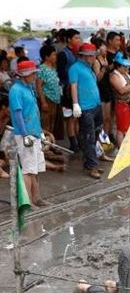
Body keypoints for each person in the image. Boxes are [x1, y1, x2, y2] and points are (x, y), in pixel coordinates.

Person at [9, 61, 48, 205]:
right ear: (24, 75)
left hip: (34, 132)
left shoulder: (28, 88)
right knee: (28, 169)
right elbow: (17, 114)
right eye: (33, 73)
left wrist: (40, 132)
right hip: (25, 134)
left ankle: (37, 199)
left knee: (35, 168)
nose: (35, 76)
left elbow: (34, 112)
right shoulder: (16, 90)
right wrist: (25, 135)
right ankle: (28, 202)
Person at [69, 43, 104, 179]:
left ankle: (90, 162)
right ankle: (93, 165)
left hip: (95, 105)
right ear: (83, 56)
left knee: (94, 134)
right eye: (90, 56)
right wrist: (75, 104)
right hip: (86, 107)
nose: (92, 58)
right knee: (89, 137)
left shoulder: (88, 68)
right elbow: (74, 86)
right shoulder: (75, 68)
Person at [57, 28, 82, 153]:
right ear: (69, 40)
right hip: (67, 90)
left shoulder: (78, 53)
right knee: (70, 117)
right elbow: (61, 74)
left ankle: (77, 139)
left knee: (77, 117)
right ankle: (73, 143)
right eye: (76, 38)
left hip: (78, 89)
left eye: (79, 38)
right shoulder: (63, 54)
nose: (79, 40)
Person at [36, 45, 62, 139]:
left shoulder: (52, 68)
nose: (55, 57)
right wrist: (43, 102)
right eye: (54, 55)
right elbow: (39, 86)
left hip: (54, 100)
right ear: (47, 57)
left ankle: (50, 145)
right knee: (45, 124)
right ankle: (45, 147)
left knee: (52, 124)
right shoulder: (42, 69)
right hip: (47, 99)